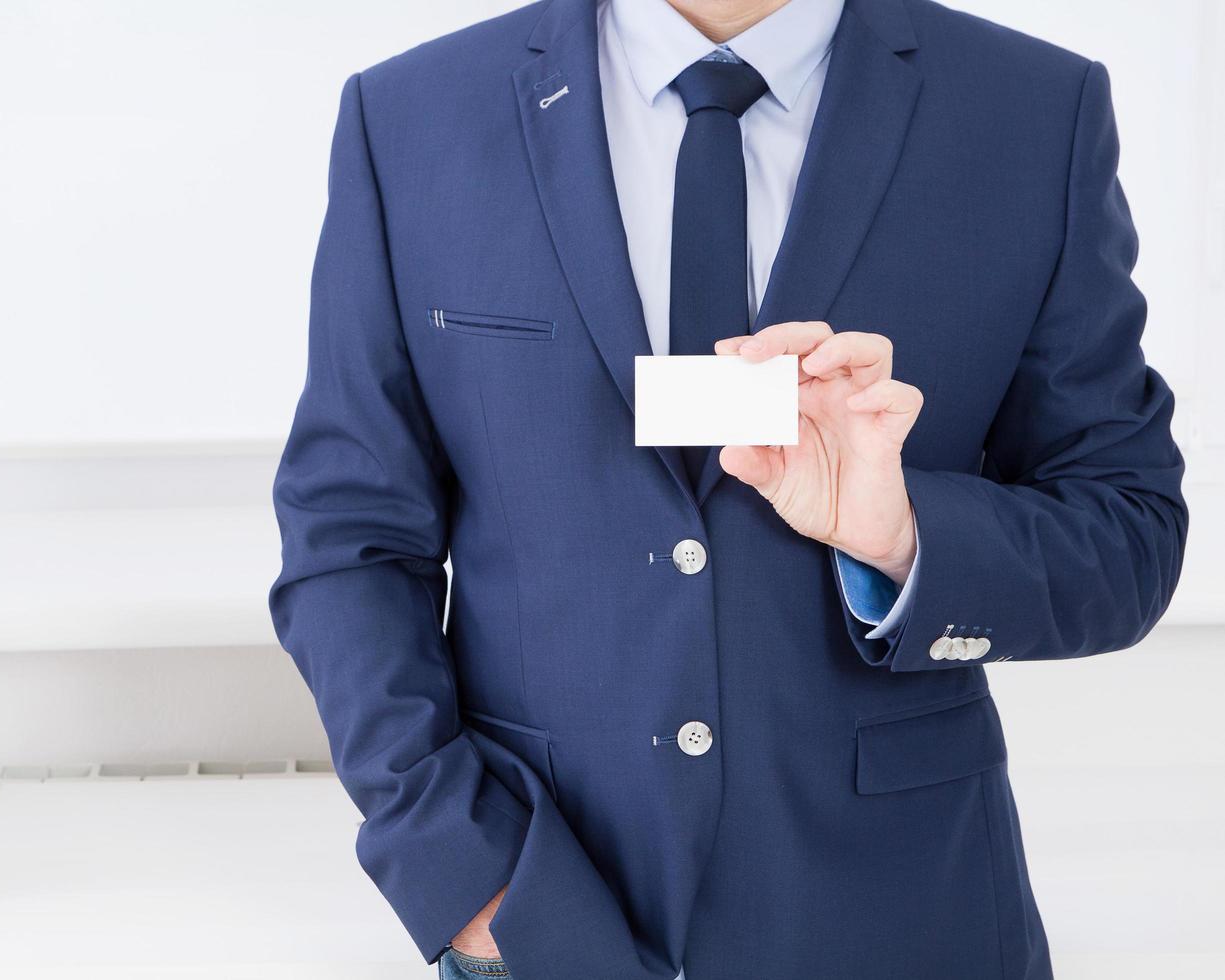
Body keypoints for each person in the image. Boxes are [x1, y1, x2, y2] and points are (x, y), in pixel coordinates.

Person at [268, 0, 1188, 977]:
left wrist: (905, 536)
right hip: (545, 915)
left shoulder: (1032, 111)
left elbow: (1128, 528)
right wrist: (468, 881)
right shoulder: (413, 116)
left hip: (906, 921)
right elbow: (349, 542)